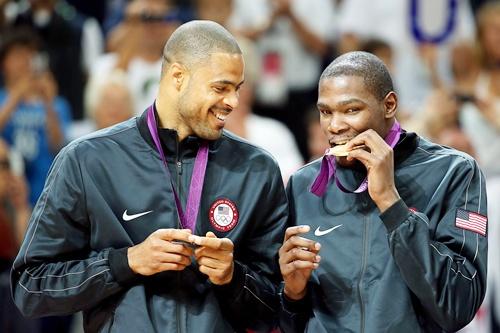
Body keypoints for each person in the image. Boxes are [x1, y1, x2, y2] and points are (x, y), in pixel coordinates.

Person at [11, 20, 288, 332]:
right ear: (178, 77)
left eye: (236, 89)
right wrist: (126, 262)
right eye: (220, 88)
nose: (233, 102)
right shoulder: (88, 160)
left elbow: (279, 308)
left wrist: (233, 277)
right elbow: (31, 288)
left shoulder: (256, 169)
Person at [278, 51, 487, 332]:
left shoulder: (454, 172)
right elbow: (289, 321)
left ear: (389, 105)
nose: (335, 126)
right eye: (326, 112)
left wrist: (391, 201)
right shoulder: (303, 184)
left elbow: (458, 306)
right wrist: (292, 293)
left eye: (351, 110)